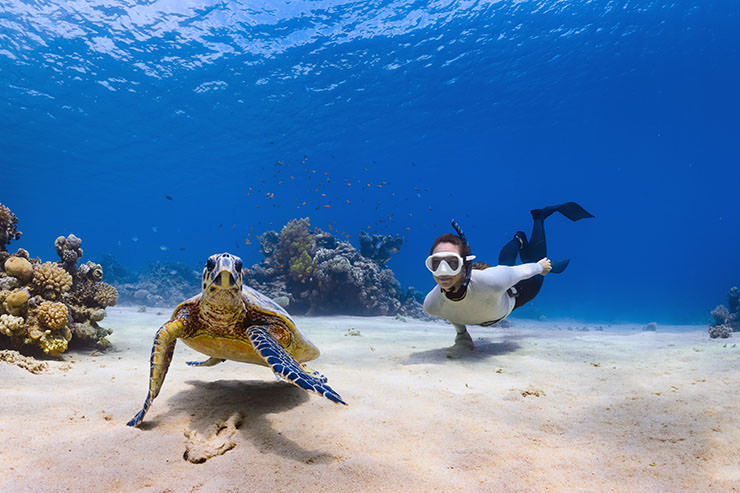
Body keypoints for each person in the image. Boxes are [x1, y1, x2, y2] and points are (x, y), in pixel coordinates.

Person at [423, 202, 594, 357]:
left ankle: (539, 218)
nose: (443, 272)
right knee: (504, 266)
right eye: (436, 263)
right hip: (495, 288)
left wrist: (541, 266)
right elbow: (451, 311)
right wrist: (462, 335)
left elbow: (522, 271)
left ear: (465, 265)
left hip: (516, 294)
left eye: (452, 263)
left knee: (525, 266)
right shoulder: (432, 304)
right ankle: (518, 240)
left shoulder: (491, 282)